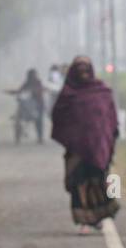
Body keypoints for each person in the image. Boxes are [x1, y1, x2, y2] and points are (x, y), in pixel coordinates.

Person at [51, 56, 120, 233]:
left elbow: (111, 118)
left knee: (98, 182)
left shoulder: (102, 92)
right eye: (79, 70)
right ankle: (84, 221)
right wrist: (71, 135)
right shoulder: (68, 94)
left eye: (86, 69)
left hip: (99, 147)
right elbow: (58, 116)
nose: (83, 73)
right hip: (77, 150)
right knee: (78, 183)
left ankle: (99, 216)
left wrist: (109, 137)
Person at [7, 68, 46, 143]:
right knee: (19, 113)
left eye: (33, 75)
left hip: (37, 105)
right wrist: (13, 92)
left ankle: (40, 137)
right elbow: (20, 91)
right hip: (25, 105)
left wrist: (34, 92)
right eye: (31, 75)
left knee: (39, 120)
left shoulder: (38, 83)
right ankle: (18, 135)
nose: (32, 76)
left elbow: (40, 91)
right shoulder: (26, 83)